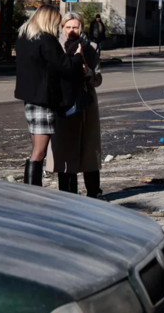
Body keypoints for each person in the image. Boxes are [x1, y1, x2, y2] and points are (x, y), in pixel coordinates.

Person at [14, 5, 85, 186]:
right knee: (39, 150)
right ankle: (32, 191)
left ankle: (31, 189)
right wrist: (77, 57)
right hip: (43, 99)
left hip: (29, 98)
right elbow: (64, 65)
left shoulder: (24, 38)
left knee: (37, 147)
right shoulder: (46, 39)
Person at [46, 13, 104, 197]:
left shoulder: (92, 48)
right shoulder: (55, 47)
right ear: (62, 28)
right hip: (64, 102)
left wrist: (88, 73)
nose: (72, 31)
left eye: (76, 27)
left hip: (86, 103)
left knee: (89, 148)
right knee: (66, 149)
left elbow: (98, 79)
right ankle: (68, 194)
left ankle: (94, 193)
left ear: (82, 28)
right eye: (68, 27)